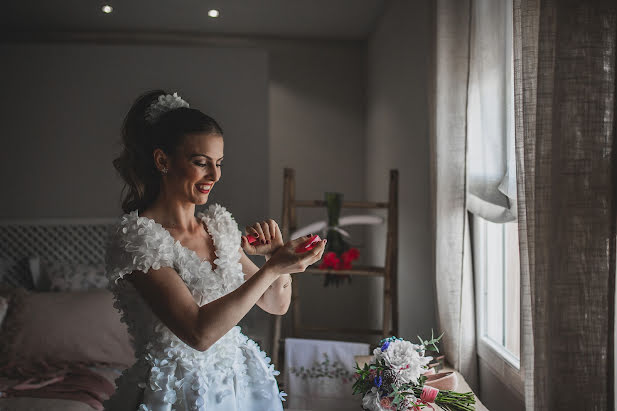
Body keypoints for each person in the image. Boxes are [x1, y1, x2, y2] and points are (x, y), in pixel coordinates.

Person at [103, 90, 326, 411]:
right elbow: (198, 333)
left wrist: (272, 259)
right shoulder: (137, 238)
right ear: (162, 160)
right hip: (178, 393)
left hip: (240, 383)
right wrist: (273, 268)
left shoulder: (218, 225)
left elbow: (276, 304)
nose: (214, 175)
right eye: (200, 163)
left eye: (218, 163)